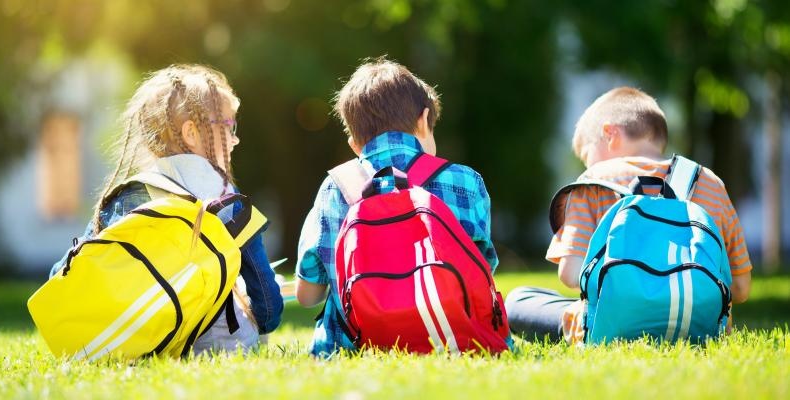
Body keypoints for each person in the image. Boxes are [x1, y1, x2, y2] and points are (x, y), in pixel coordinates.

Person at [50, 64, 283, 353]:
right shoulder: (228, 201)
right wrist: (263, 321)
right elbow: (268, 303)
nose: (236, 139)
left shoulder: (133, 193)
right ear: (191, 133)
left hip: (147, 342)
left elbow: (65, 272)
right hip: (223, 346)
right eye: (229, 126)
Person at [505, 86, 752, 342]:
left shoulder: (593, 181)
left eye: (587, 155)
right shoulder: (710, 182)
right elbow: (742, 287)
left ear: (610, 134)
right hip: (701, 328)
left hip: (610, 328)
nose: (588, 164)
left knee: (519, 299)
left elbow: (570, 273)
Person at [295, 58, 500, 356]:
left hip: (351, 348)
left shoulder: (335, 187)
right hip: (454, 341)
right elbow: (481, 275)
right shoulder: (465, 181)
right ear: (423, 119)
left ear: (354, 144)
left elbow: (308, 295)